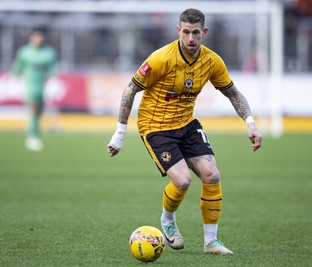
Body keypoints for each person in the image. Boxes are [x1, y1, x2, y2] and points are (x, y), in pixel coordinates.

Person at [107, 9, 262, 255]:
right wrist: (120, 134)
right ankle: (167, 220)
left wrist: (250, 122)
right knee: (183, 180)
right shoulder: (161, 58)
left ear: (204, 33)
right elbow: (129, 90)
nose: (191, 38)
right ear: (178, 30)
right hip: (156, 126)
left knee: (212, 175)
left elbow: (232, 92)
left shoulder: (212, 61)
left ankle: (211, 242)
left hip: (187, 124)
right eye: (186, 32)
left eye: (196, 33)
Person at [12, 29, 57, 151]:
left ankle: (34, 132)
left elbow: (52, 70)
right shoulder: (24, 52)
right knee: (33, 109)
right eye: (36, 37)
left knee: (38, 112)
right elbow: (17, 68)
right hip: (29, 85)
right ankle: (32, 135)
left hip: (41, 87)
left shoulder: (48, 52)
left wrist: (49, 77)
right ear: (31, 38)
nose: (39, 40)